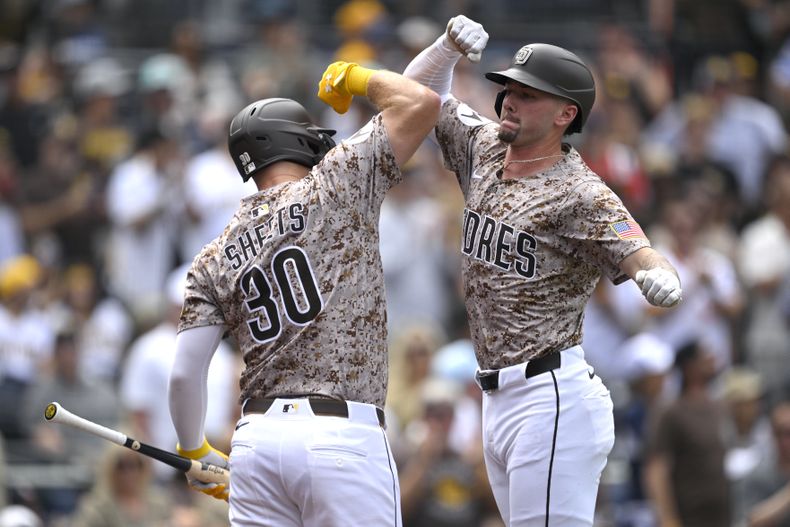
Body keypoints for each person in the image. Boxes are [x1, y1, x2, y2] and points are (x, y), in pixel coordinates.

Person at [403, 16, 683, 526]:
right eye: (510, 87)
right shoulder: (484, 148)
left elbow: (639, 249)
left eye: (530, 93)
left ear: (565, 113)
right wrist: (445, 49)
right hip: (495, 396)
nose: (511, 98)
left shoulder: (581, 192)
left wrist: (653, 272)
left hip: (550, 397)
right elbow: (416, 96)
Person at [168, 60, 440, 527]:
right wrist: (353, 76)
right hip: (340, 434)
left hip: (255, 442)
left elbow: (182, 375)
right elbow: (420, 102)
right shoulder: (334, 184)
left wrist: (193, 447)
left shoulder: (213, 254)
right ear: (294, 139)